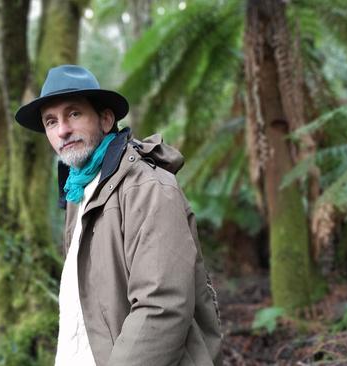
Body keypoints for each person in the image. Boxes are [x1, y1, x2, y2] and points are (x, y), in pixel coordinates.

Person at [15, 65, 222, 366]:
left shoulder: (148, 187)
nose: (62, 130)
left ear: (106, 118)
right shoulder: (78, 193)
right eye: (51, 121)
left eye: (73, 114)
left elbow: (162, 306)